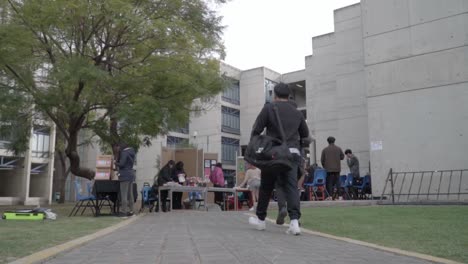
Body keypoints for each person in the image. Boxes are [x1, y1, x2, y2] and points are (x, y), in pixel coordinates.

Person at [248, 82, 309, 235]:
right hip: (292, 154)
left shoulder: (269, 108)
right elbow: (305, 135)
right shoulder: (297, 112)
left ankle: (261, 221)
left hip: (273, 154)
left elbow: (256, 130)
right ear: (289, 96)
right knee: (291, 187)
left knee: (266, 186)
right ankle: (294, 222)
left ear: (274, 95)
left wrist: (257, 146)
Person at [115, 142, 136, 218]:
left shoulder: (124, 152)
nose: (117, 149)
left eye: (118, 147)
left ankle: (123, 212)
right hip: (130, 174)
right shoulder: (132, 152)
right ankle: (132, 211)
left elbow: (122, 164)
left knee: (124, 194)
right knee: (130, 194)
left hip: (124, 175)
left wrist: (115, 162)